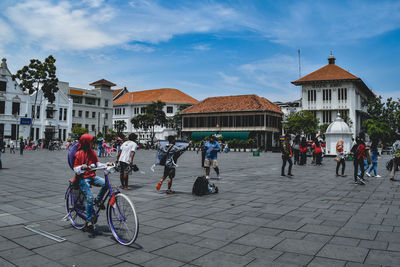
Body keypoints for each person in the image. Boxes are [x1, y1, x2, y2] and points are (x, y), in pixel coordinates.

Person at [73, 134, 111, 232]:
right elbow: (76, 169)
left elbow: (98, 164)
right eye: (91, 141)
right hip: (83, 178)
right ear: (86, 142)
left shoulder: (92, 152)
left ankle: (98, 200)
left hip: (92, 176)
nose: (92, 143)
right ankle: (89, 221)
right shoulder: (79, 154)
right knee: (89, 197)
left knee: (106, 184)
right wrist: (82, 167)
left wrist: (107, 164)